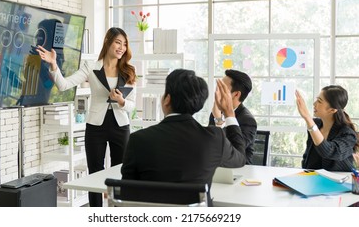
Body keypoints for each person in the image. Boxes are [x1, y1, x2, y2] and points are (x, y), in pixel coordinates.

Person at [36, 27, 137, 206]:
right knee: (95, 173)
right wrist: (53, 65)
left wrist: (121, 101)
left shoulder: (128, 70)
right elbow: (64, 85)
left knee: (120, 173)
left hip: (121, 126)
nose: (121, 47)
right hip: (95, 126)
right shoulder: (91, 67)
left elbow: (132, 105)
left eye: (125, 44)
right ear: (108, 42)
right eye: (118, 42)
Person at [121, 69, 246, 206]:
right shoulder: (214, 138)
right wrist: (229, 113)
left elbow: (127, 193)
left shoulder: (138, 139)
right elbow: (240, 158)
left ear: (167, 99)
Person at [295, 85, 357, 172]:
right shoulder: (316, 124)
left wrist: (308, 118)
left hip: (338, 183)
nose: (314, 104)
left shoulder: (348, 134)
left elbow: (329, 152)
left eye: (319, 101)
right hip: (313, 180)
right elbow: (307, 157)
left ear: (332, 110)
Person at [208, 69, 257, 164]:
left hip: (240, 170)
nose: (217, 93)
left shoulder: (248, 120)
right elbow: (210, 144)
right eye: (218, 87)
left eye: (222, 88)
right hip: (217, 168)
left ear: (236, 94)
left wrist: (219, 121)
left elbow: (234, 151)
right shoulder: (216, 112)